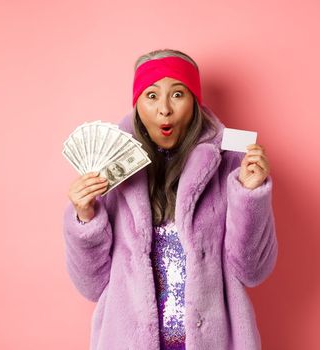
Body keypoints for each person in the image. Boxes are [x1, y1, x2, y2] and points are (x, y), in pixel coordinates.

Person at [63, 49, 277, 349]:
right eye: (151, 96)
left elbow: (252, 270)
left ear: (195, 103)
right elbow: (91, 284)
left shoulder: (229, 164)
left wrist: (250, 195)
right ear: (137, 104)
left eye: (177, 94)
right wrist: (85, 218)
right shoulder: (110, 171)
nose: (164, 109)